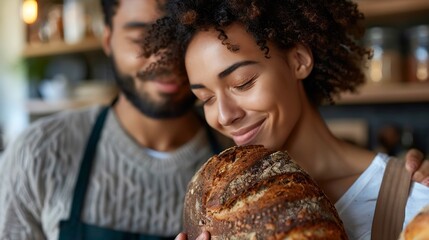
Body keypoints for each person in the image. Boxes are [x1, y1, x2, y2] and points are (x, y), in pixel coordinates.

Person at [142, 0, 429, 239]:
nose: (224, 116)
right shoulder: (218, 214)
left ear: (299, 60)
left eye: (243, 83)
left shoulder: (415, 200)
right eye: (206, 99)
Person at [0, 0, 233, 239]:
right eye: (142, 38)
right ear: (107, 39)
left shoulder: (241, 155)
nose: (167, 58)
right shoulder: (37, 154)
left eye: (182, 37)